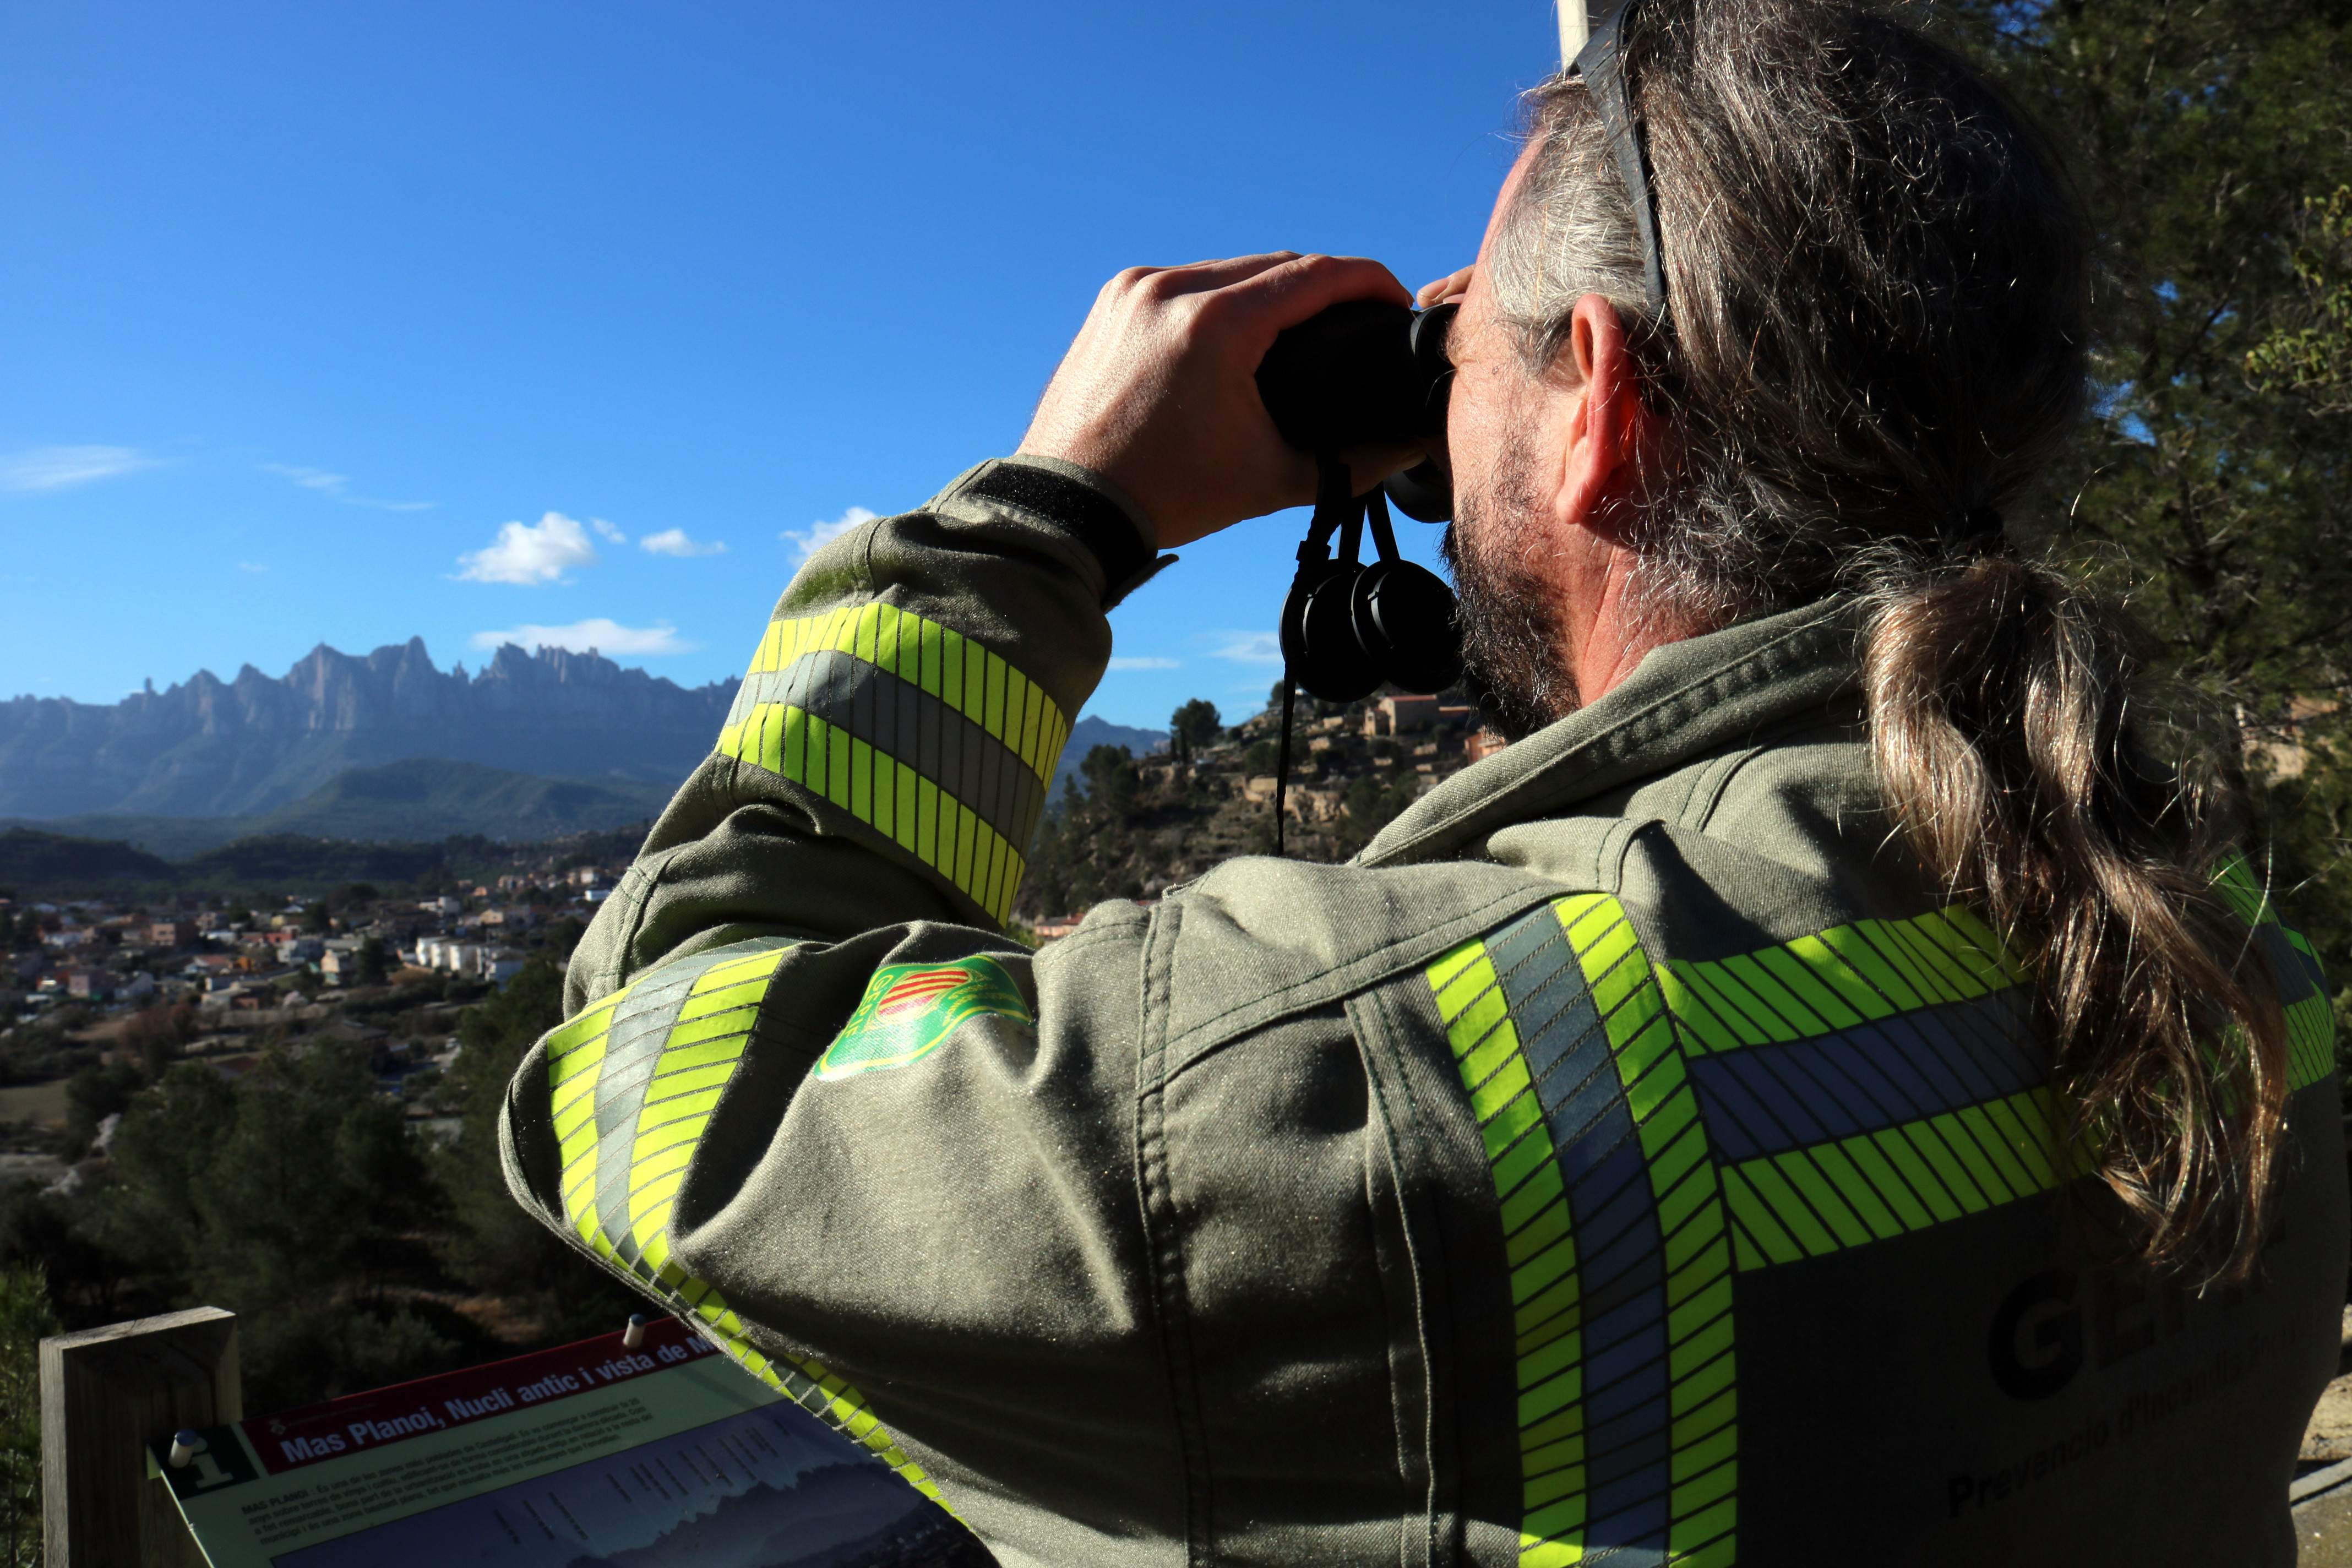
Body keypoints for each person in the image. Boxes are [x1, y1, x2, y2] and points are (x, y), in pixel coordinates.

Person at [499, 0, 2346, 1561]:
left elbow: (660, 1075)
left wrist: (1048, 518)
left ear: (1602, 403)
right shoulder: (2226, 949)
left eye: (1472, 364)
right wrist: (1498, 369)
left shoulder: (1376, 1093)